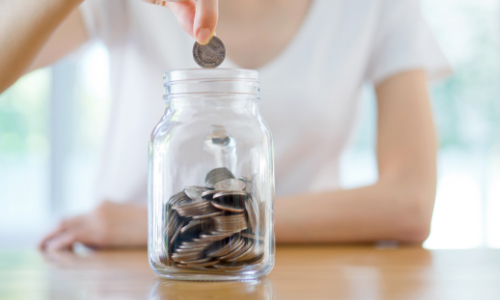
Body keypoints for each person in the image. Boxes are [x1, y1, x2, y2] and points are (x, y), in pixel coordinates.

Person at [0, 0, 449, 251]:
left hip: (302, 269)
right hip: (129, 269)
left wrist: (159, 225)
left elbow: (409, 204)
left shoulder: (378, 7)